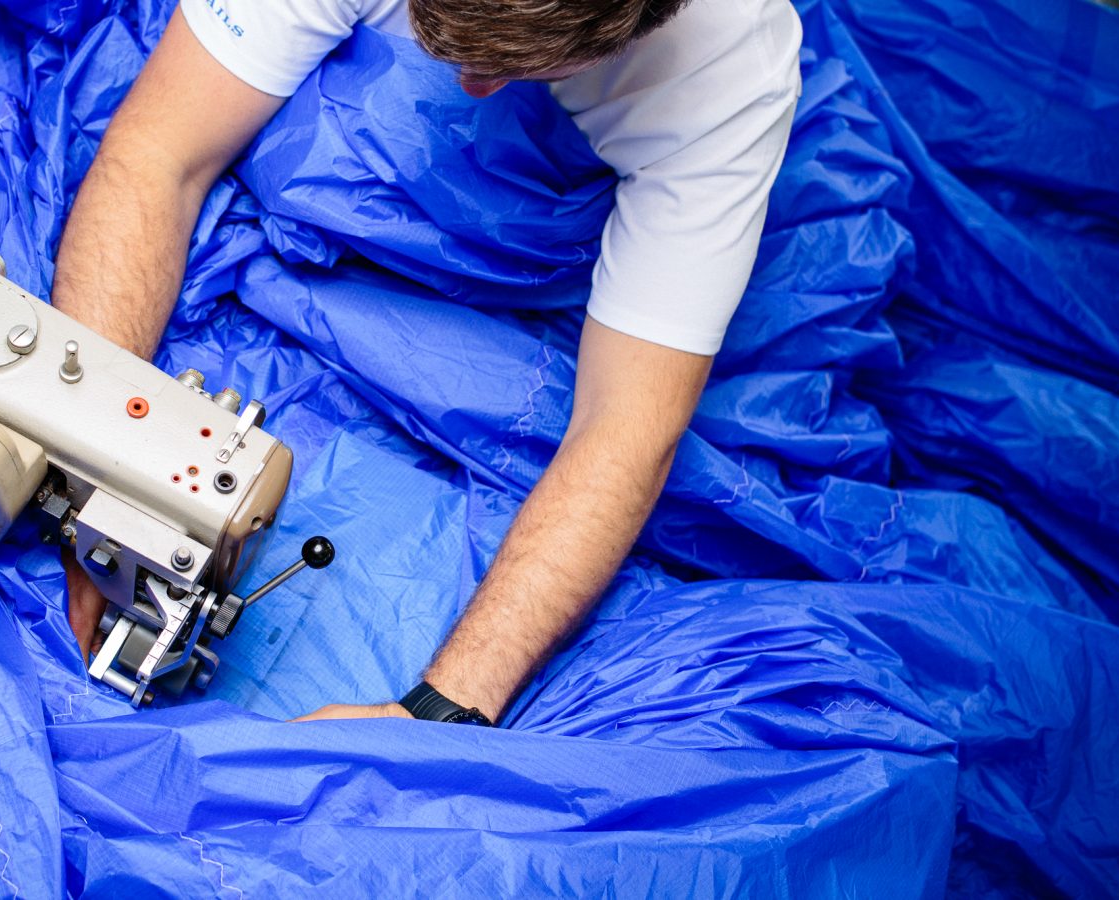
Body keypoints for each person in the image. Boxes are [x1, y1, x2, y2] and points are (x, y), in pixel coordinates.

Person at [53, 0, 802, 726]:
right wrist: (102, 476)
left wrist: (442, 707)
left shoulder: (730, 64)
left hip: (515, 316)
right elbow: (158, 157)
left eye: (513, 66)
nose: (471, 85)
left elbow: (625, 425)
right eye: (442, 41)